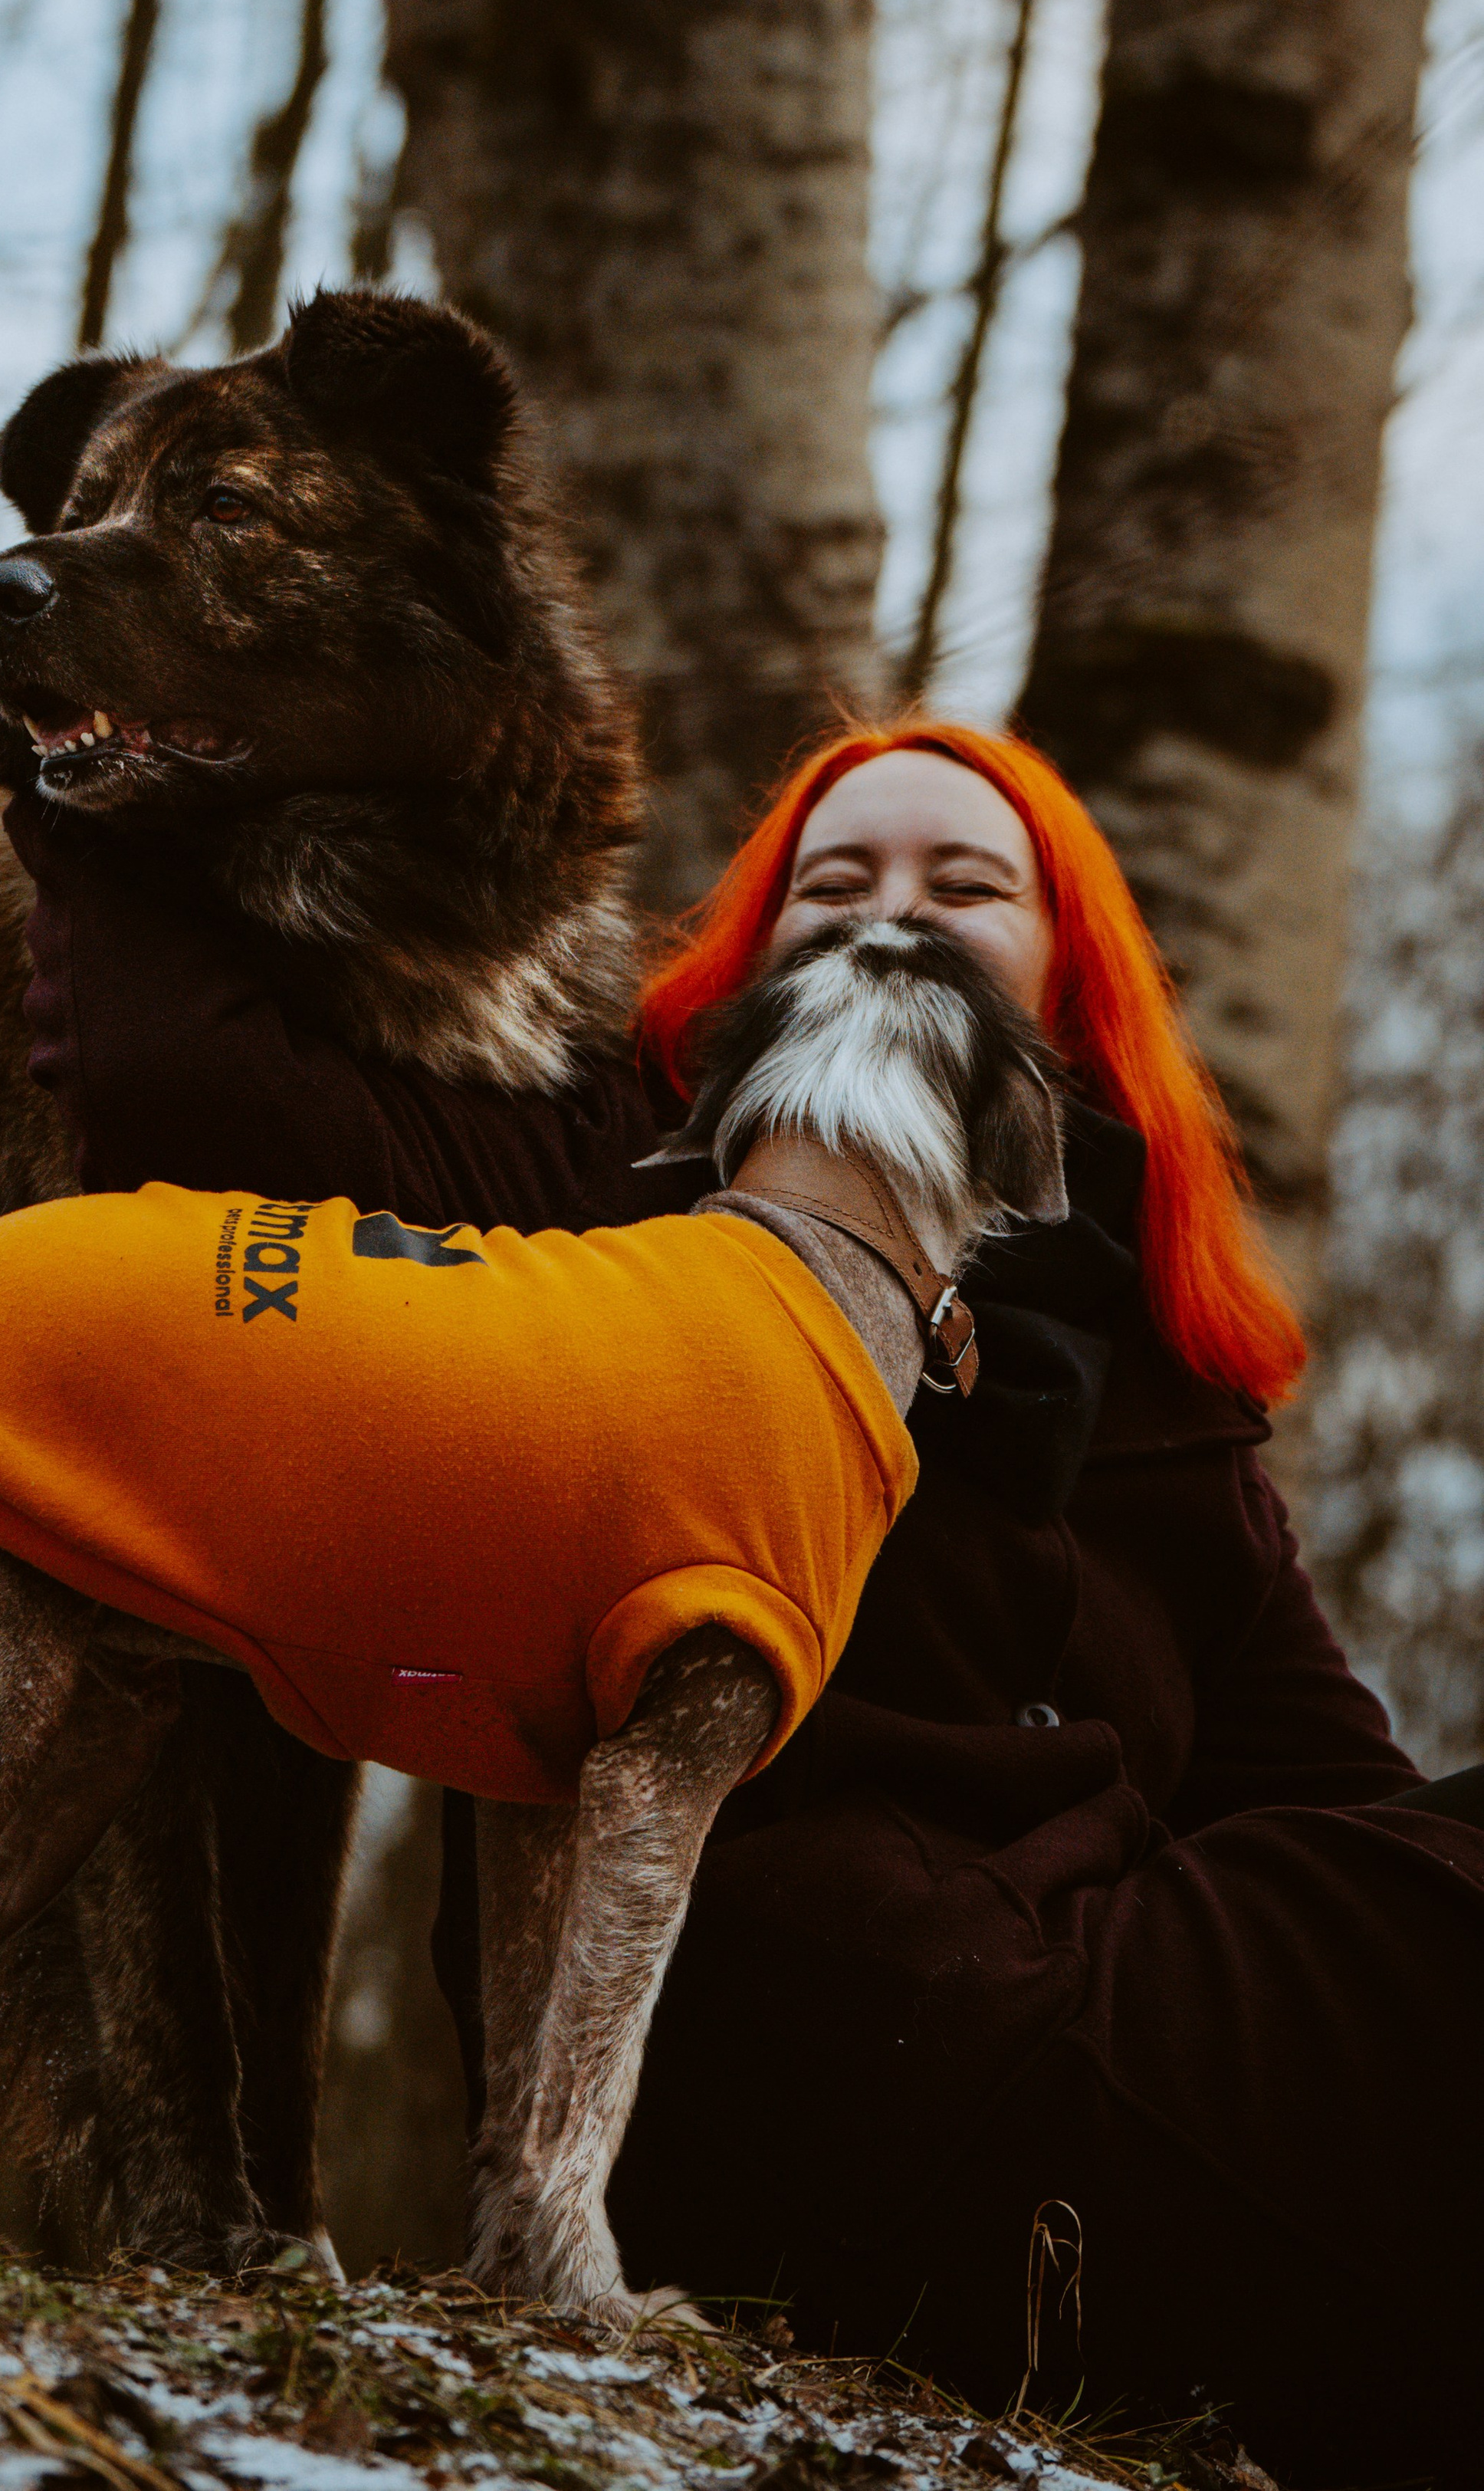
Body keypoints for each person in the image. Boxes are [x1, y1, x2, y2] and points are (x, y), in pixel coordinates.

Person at [571, 720, 1484, 2489]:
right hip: (799, 2062)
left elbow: (1336, 1798)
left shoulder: (1158, 1377)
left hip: (1122, 2028)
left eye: (961, 884)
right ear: (741, 981)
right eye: (829, 889)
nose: (888, 918)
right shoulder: (627, 1248)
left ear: (1072, 982)